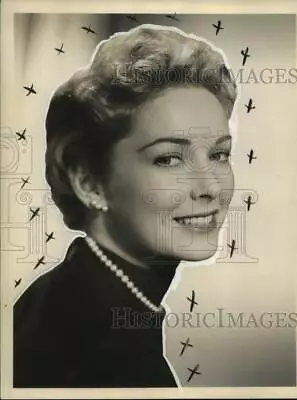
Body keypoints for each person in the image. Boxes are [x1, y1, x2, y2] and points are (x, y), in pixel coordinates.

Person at [14, 24, 237, 388]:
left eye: (219, 154)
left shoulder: (65, 294)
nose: (210, 186)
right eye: (168, 159)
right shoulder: (111, 358)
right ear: (88, 180)